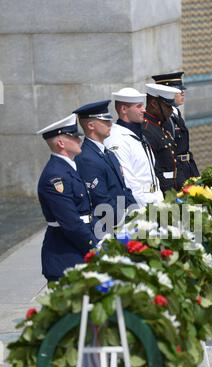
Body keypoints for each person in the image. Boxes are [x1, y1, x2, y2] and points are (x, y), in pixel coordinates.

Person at [37, 114, 99, 282]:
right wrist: (94, 246)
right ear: (61, 143)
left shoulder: (69, 168)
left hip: (78, 248)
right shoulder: (55, 177)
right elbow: (71, 222)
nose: (80, 139)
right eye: (74, 136)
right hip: (66, 254)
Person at [73, 100, 137, 237]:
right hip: (107, 228)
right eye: (105, 121)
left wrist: (136, 213)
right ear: (91, 125)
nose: (110, 124)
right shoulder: (86, 158)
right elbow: (101, 200)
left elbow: (124, 190)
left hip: (121, 224)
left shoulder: (108, 153)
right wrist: (127, 223)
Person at [104, 87, 163, 208]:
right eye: (139, 106)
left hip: (155, 201)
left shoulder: (139, 134)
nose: (144, 110)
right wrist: (146, 211)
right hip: (140, 207)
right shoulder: (117, 139)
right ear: (124, 109)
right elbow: (129, 183)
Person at [151, 71, 200, 188]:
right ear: (167, 93)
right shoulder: (164, 117)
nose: (183, 93)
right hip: (177, 170)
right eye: (178, 91)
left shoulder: (176, 113)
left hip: (187, 166)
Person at [142, 83, 181, 194]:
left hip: (174, 186)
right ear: (154, 104)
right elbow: (154, 168)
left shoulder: (161, 127)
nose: (170, 110)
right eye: (168, 106)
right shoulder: (146, 129)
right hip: (163, 190)